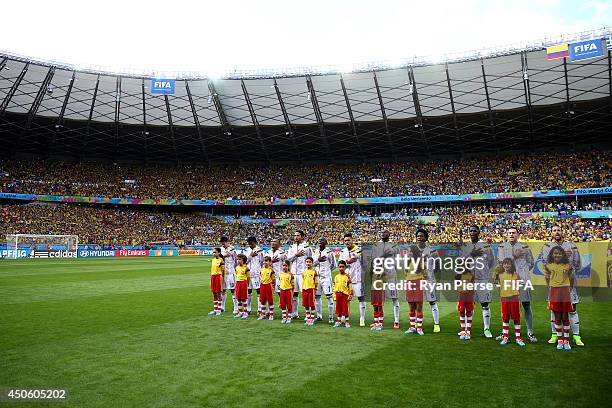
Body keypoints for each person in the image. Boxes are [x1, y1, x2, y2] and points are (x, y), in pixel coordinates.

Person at [541, 224, 584, 346]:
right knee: (554, 309)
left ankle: (576, 336)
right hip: (554, 284)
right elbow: (545, 263)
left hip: (568, 283)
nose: (556, 232)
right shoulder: (546, 246)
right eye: (554, 230)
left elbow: (577, 264)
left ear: (562, 232)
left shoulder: (572, 246)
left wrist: (568, 271)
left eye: (558, 230)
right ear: (551, 233)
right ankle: (555, 334)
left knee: (572, 309)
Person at [497, 227, 536, 342]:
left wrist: (523, 272)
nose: (511, 234)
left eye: (514, 233)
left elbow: (531, 262)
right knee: (507, 308)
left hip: (523, 281)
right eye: (509, 233)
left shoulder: (524, 246)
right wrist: (514, 256)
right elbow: (501, 261)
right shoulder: (502, 247)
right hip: (508, 282)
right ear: (506, 234)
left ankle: (530, 332)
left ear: (518, 235)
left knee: (526, 305)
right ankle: (504, 333)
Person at [462, 225, 495, 338]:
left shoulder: (485, 246)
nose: (472, 232)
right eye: (470, 230)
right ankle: (467, 329)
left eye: (474, 230)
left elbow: (491, 262)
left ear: (479, 232)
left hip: (482, 279)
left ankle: (486, 328)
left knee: (485, 304)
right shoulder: (466, 246)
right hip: (469, 280)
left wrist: (483, 272)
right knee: (469, 305)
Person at [544, 246, 574, 350]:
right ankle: (560, 340)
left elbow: (571, 277)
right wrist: (551, 287)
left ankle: (566, 341)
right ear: (552, 255)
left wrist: (569, 287)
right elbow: (547, 278)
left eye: (560, 253)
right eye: (555, 253)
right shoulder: (548, 266)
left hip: (565, 291)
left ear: (563, 255)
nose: (557, 255)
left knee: (565, 316)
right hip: (554, 291)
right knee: (557, 316)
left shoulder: (568, 266)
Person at [494, 258, 525, 346]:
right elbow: (497, 285)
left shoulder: (516, 275)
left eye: (508, 264)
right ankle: (505, 337)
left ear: (512, 265)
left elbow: (519, 286)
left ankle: (518, 338)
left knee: (516, 318)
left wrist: (517, 294)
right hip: (504, 299)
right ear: (502, 265)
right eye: (505, 264)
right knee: (505, 318)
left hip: (514, 299)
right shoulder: (500, 275)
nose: (506, 265)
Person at [373, 230, 401, 329]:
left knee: (394, 297)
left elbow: (398, 259)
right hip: (379, 274)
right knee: (378, 298)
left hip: (390, 274)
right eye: (382, 233)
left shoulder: (394, 246)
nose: (383, 234)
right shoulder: (376, 245)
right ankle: (378, 321)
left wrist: (393, 270)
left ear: (389, 235)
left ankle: (396, 320)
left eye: (386, 233)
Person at [416, 229, 441, 333]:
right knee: (417, 303)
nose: (419, 238)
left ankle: (436, 324)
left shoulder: (432, 251)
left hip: (429, 280)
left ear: (426, 238)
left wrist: (429, 274)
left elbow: (438, 266)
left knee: (432, 302)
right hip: (417, 280)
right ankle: (418, 325)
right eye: (418, 236)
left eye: (421, 236)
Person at [340, 233, 365, 326]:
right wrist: (346, 263)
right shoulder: (343, 252)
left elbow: (365, 261)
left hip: (358, 278)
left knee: (360, 298)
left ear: (352, 240)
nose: (347, 242)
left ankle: (362, 318)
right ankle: (345, 316)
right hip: (347, 279)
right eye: (345, 240)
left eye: (348, 240)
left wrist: (355, 258)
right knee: (346, 299)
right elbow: (341, 264)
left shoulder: (359, 250)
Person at [287, 230, 312, 319]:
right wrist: (296, 255)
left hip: (303, 274)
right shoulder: (291, 247)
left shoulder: (307, 247)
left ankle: (308, 314)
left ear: (302, 236)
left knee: (305, 294)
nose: (295, 237)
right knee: (294, 294)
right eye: (295, 235)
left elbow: (310, 259)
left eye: (298, 235)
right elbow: (288, 259)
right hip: (294, 273)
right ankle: (295, 313)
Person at [313, 237, 337, 324]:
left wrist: (327, 271)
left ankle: (331, 317)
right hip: (317, 278)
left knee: (329, 297)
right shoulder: (315, 251)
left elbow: (334, 265)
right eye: (319, 240)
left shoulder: (329, 252)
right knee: (317, 297)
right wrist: (318, 260)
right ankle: (319, 316)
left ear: (326, 242)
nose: (320, 241)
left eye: (322, 240)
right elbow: (312, 264)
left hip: (326, 277)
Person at [404, 244, 426, 336]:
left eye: (410, 251)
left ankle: (419, 327)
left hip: (418, 282)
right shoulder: (406, 261)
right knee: (411, 306)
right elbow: (405, 273)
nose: (408, 253)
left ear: (414, 252)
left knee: (419, 306)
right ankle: (412, 327)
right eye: (408, 251)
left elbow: (425, 273)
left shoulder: (420, 261)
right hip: (409, 282)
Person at [244, 236, 264, 316]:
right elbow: (245, 261)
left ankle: (259, 309)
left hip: (256, 274)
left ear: (255, 242)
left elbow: (262, 262)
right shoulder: (247, 250)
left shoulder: (260, 251)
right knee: (248, 291)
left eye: (251, 244)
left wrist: (261, 272)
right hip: (248, 274)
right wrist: (250, 256)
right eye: (249, 244)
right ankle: (248, 309)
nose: (250, 245)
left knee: (258, 291)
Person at [220, 236, 238, 316]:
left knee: (232, 290)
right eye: (222, 244)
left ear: (227, 242)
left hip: (231, 272)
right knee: (223, 290)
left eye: (224, 244)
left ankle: (236, 307)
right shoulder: (221, 249)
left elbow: (235, 260)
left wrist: (235, 269)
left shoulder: (232, 249)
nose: (223, 245)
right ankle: (222, 307)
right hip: (223, 272)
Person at [456, 267, 475, 340]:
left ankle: (468, 332)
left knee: (469, 312)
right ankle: (463, 330)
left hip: (469, 296)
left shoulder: (471, 274)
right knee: (462, 312)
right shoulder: (458, 274)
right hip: (462, 296)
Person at [333, 260, 353, 328]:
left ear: (345, 267)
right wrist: (334, 295)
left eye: (342, 267)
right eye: (340, 267)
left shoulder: (347, 277)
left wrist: (350, 294)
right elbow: (334, 286)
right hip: (338, 294)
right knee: (338, 308)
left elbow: (350, 287)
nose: (341, 268)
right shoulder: (336, 277)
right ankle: (339, 321)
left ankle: (347, 321)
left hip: (345, 295)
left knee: (345, 308)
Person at [302, 257, 319, 326]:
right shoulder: (304, 271)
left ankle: (312, 318)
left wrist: (315, 289)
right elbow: (303, 279)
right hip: (304, 289)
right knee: (306, 304)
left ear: (312, 263)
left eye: (309, 262)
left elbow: (316, 281)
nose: (308, 263)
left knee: (311, 304)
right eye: (307, 262)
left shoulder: (314, 271)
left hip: (311, 289)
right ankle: (308, 316)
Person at [208, 247, 225, 316]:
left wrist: (222, 279)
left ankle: (219, 309)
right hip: (213, 277)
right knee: (214, 293)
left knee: (218, 293)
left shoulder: (221, 260)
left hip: (218, 277)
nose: (214, 253)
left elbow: (223, 271)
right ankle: (215, 309)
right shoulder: (213, 260)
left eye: (215, 252)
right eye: (213, 252)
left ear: (219, 253)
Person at [259, 256, 275, 320]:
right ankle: (263, 314)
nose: (265, 262)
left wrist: (273, 287)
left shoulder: (271, 270)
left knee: (270, 301)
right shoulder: (261, 269)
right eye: (264, 261)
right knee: (262, 300)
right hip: (263, 285)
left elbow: (273, 280)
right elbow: (261, 277)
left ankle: (271, 314)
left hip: (269, 286)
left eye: (266, 261)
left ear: (270, 262)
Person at [279, 260, 295, 324]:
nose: (284, 267)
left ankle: (289, 317)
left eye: (286, 266)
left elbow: (293, 285)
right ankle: (284, 317)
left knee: (289, 305)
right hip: (282, 291)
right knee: (283, 304)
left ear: (288, 266)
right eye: (283, 265)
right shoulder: (281, 274)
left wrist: (292, 293)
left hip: (288, 291)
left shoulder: (291, 275)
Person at [235, 254, 250, 319]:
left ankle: (245, 312)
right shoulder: (236, 267)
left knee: (244, 299)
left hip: (243, 283)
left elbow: (248, 277)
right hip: (238, 283)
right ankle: (240, 312)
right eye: (237, 259)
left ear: (243, 260)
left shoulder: (246, 268)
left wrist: (247, 285)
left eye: (239, 259)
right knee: (238, 298)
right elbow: (236, 275)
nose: (238, 261)